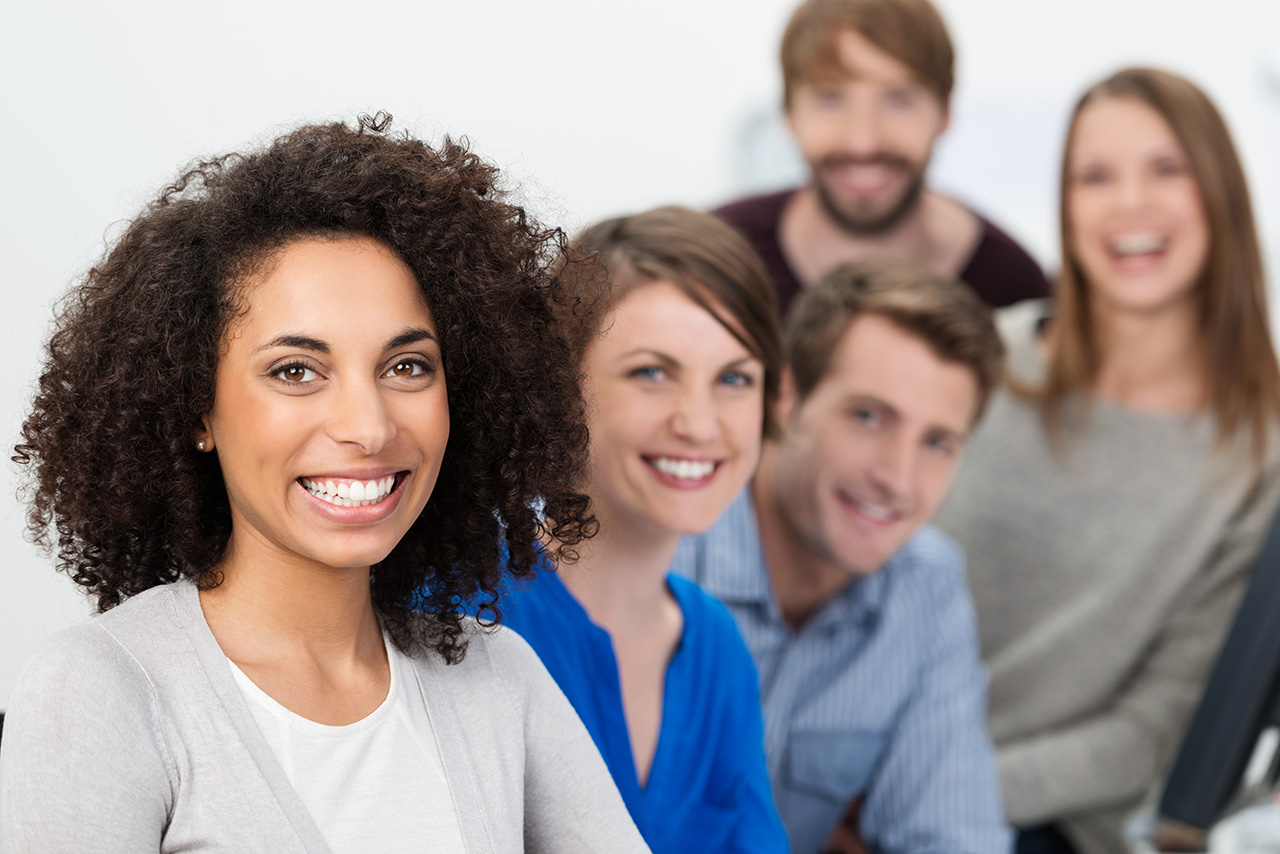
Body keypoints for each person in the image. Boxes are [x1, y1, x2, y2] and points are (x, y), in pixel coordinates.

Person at [0, 115, 650, 853]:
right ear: (195, 408)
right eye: (296, 371)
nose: (368, 427)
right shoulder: (101, 691)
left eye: (407, 366)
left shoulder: (496, 676)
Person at [933, 67, 1280, 854]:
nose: (1130, 205)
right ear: (1066, 205)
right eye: (1096, 176)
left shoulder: (1262, 453)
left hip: (1040, 820)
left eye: (1167, 170)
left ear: (1219, 194)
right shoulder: (984, 357)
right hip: (849, 773)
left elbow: (1148, 733)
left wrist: (930, 787)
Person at [673, 258, 1011, 854]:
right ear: (784, 396)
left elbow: (954, 840)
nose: (898, 480)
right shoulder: (666, 537)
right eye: (868, 416)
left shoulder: (926, 587)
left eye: (937, 442)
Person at [499, 207, 790, 853]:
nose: (699, 423)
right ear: (558, 387)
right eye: (652, 373)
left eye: (734, 379)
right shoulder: (465, 615)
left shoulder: (715, 649)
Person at [716, 0, 1048, 316]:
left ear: (945, 113)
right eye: (830, 100)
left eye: (899, 100)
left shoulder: (1014, 288)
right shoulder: (715, 264)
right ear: (789, 115)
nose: (864, 142)